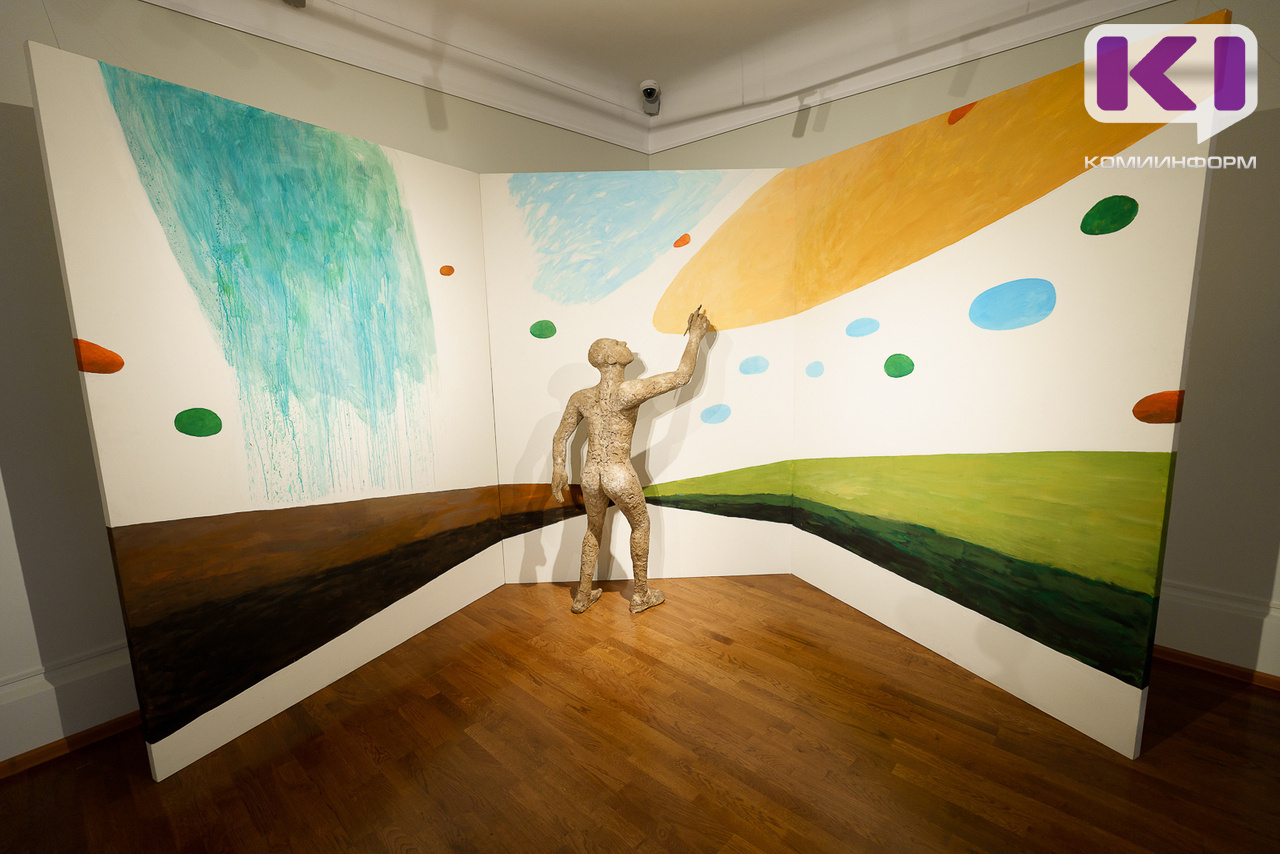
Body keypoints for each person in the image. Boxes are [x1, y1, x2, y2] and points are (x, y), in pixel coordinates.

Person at [551, 308, 711, 613]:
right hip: (618, 473)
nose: (624, 343)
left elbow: (560, 436)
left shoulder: (581, 397)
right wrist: (695, 337)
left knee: (593, 529)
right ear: (610, 358)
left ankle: (583, 595)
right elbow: (682, 376)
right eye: (617, 343)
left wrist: (559, 467)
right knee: (641, 525)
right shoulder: (628, 391)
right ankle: (640, 595)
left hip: (591, 474)